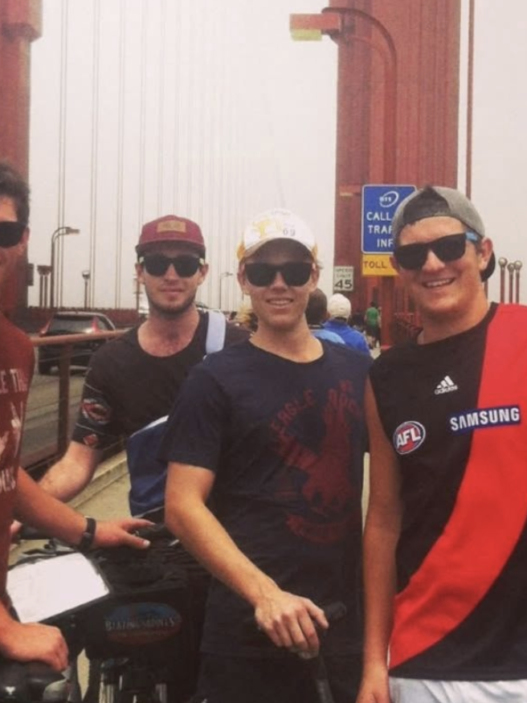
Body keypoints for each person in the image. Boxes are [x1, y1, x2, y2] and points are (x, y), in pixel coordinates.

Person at [161, 207, 371, 703]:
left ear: (313, 278)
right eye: (262, 271)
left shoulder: (358, 372)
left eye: (294, 271)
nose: (279, 284)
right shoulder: (213, 380)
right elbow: (182, 506)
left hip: (343, 629)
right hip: (247, 633)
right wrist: (265, 594)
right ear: (243, 279)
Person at [356, 185, 527, 703]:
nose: (432, 264)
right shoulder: (387, 378)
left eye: (450, 247)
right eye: (413, 255)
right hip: (427, 659)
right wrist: (373, 662)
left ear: (483, 252)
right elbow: (383, 521)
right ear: (398, 268)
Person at [0, 161, 150, 672]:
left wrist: (87, 531)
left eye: (5, 232)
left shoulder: (16, 349)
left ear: (23, 239)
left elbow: (6, 472)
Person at [38, 213, 247, 518]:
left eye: (186, 264)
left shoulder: (240, 347)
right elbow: (77, 462)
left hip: (234, 527)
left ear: (202, 272)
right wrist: (19, 512)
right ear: (139, 272)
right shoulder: (110, 362)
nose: (171, 275)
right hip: (156, 533)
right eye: (157, 264)